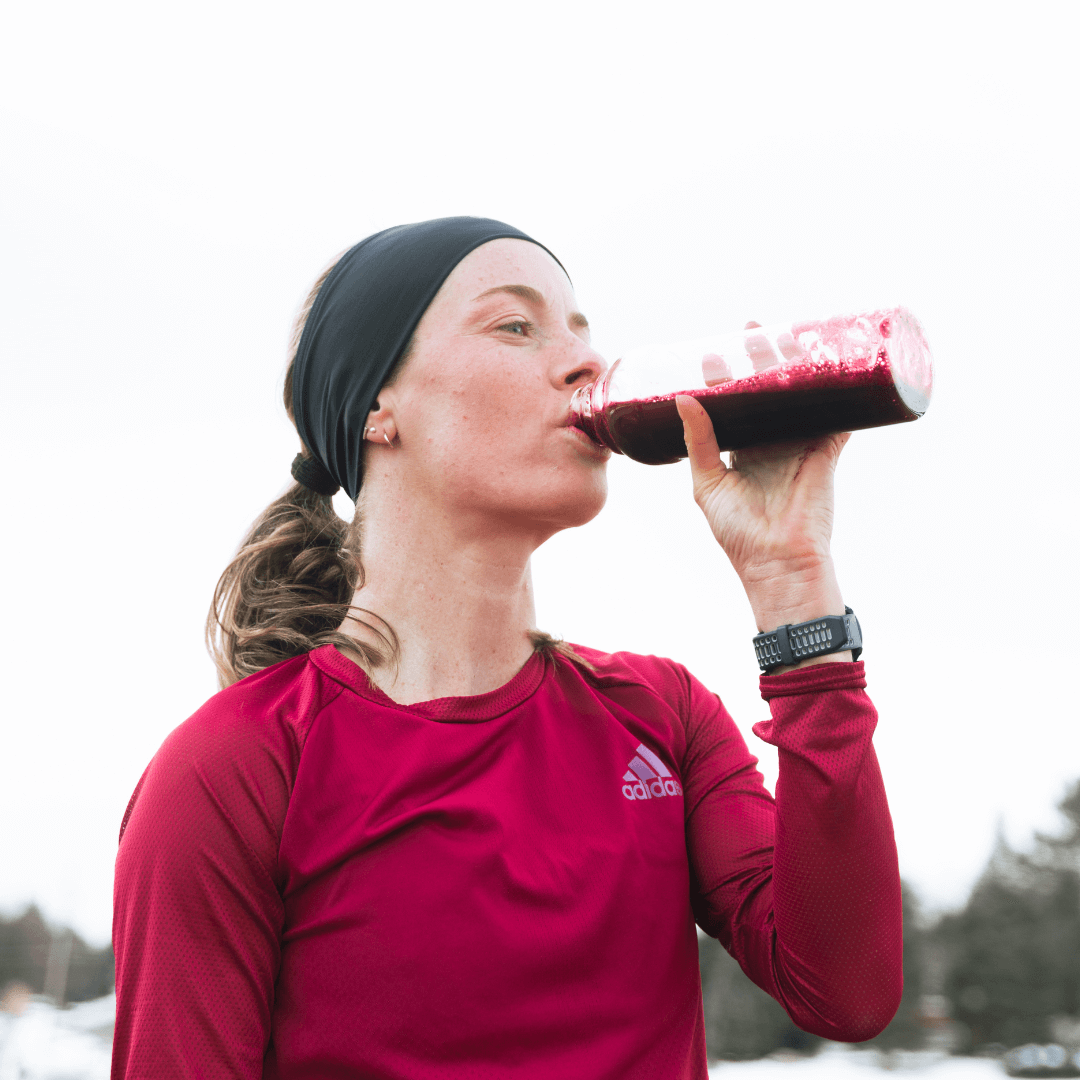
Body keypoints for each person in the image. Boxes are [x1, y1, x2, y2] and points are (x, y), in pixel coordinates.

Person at [111, 217, 903, 1078]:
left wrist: (792, 584)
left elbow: (846, 990)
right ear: (379, 406)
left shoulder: (662, 717)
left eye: (581, 332)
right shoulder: (236, 766)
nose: (584, 364)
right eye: (516, 326)